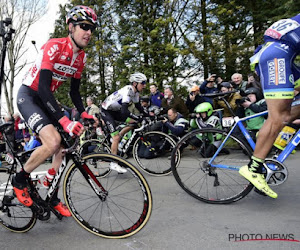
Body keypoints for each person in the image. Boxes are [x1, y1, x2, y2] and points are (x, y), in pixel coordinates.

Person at [13, 5, 99, 216]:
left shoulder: (82, 58)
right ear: (71, 27)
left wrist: (83, 112)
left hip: (46, 99)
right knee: (52, 142)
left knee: (65, 146)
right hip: (30, 96)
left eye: (92, 29)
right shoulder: (54, 46)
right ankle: (20, 179)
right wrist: (64, 119)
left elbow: (75, 92)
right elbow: (42, 88)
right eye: (84, 26)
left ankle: (52, 194)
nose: (88, 32)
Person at [240, 14, 300, 198]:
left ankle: (267, 133)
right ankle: (254, 168)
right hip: (276, 56)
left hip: (281, 53)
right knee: (278, 117)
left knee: (281, 117)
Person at [101, 72, 148, 172]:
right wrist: (138, 117)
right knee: (116, 137)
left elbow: (138, 106)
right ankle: (113, 163)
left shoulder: (135, 93)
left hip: (115, 111)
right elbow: (124, 111)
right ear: (135, 83)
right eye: (142, 83)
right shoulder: (128, 90)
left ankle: (119, 140)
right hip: (106, 111)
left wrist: (148, 115)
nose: (144, 85)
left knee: (134, 123)